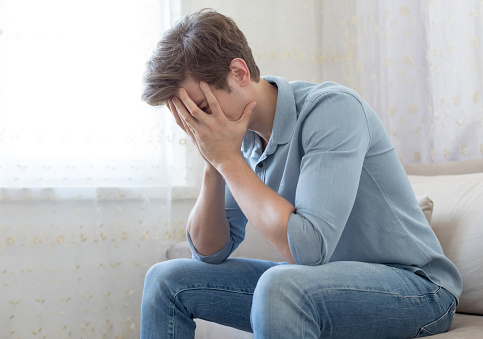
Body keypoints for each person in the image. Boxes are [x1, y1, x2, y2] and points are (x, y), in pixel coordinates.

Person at [140, 8, 462, 339]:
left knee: (281, 285)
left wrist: (226, 161)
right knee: (166, 280)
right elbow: (209, 251)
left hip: (417, 288)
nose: (200, 126)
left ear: (238, 72)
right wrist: (213, 163)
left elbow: (309, 250)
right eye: (189, 118)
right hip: (323, 283)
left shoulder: (332, 109)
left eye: (202, 109)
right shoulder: (238, 140)